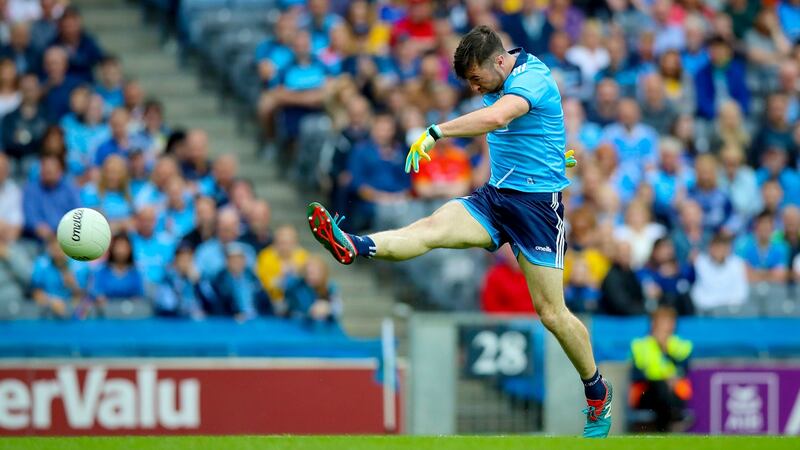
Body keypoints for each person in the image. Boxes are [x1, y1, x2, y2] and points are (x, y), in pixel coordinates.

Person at [305, 26, 611, 437]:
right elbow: (522, 129)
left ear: (499, 61)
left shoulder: (532, 75)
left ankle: (597, 392)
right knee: (430, 228)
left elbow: (500, 117)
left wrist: (436, 131)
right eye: (468, 80)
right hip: (496, 198)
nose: (473, 86)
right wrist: (551, 152)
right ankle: (353, 244)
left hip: (538, 211)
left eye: (475, 78)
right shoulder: (498, 77)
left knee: (552, 314)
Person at [629, 306, 693, 432]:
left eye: (669, 322)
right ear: (653, 323)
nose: (665, 326)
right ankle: (673, 420)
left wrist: (665, 351)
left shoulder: (682, 345)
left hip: (674, 393)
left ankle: (666, 425)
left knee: (667, 389)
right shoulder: (640, 345)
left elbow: (683, 370)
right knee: (660, 386)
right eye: (662, 322)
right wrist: (659, 379)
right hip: (648, 392)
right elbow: (636, 375)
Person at [22, 154, 80, 242]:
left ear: (59, 172)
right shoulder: (31, 189)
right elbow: (30, 215)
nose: (46, 174)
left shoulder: (69, 189)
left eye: (49, 172)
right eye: (44, 171)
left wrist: (63, 231)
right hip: (38, 239)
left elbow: (77, 213)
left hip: (65, 236)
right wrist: (38, 226)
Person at [691, 232, 749, 314]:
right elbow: (697, 294)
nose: (718, 250)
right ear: (710, 248)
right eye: (716, 247)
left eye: (722, 247)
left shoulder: (737, 264)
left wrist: (724, 305)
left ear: (728, 249)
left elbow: (741, 293)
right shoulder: (700, 262)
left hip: (731, 311)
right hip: (706, 310)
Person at [31, 237, 89, 318]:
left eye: (61, 249)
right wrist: (51, 302)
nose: (58, 253)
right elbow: (36, 293)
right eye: (55, 249)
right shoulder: (41, 264)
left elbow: (84, 296)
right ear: (49, 249)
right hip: (47, 313)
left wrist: (74, 286)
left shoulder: (80, 266)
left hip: (73, 315)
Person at [88, 233, 145, 305]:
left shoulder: (136, 273)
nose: (121, 251)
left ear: (130, 249)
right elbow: (95, 292)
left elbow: (139, 295)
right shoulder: (101, 272)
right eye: (118, 246)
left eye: (124, 247)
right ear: (112, 249)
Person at [284, 255, 341, 324]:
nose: (310, 276)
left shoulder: (330, 287)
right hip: (297, 324)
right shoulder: (298, 285)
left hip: (321, 328)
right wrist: (293, 273)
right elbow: (286, 287)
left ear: (323, 274)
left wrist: (328, 309)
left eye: (314, 273)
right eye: (308, 272)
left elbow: (337, 307)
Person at [480, 244, 535, 314]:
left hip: (537, 322)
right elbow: (491, 307)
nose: (513, 251)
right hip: (505, 323)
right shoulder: (495, 275)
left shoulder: (538, 273)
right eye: (509, 247)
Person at [155, 244, 204, 319]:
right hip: (171, 323)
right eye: (183, 260)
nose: (186, 264)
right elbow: (168, 306)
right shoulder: (168, 279)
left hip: (191, 323)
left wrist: (198, 284)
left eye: (189, 260)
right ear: (175, 261)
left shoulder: (196, 279)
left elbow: (210, 304)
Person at [600, 241, 646, 316]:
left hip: (633, 317)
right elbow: (620, 305)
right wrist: (643, 311)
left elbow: (639, 296)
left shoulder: (631, 274)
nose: (626, 256)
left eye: (628, 253)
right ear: (616, 254)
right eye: (623, 253)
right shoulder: (612, 277)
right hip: (615, 321)